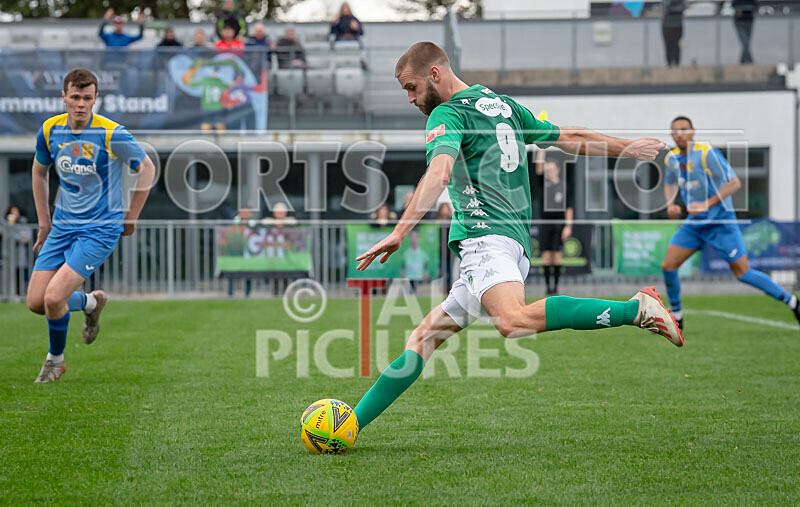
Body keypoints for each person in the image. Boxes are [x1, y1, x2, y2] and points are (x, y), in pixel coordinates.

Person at [351, 42, 682, 432]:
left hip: (485, 240)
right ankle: (350, 424)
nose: (409, 98)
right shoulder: (502, 106)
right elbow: (568, 135)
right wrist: (626, 147)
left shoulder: (447, 113)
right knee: (423, 338)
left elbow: (439, 174)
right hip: (510, 242)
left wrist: (398, 231)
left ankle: (635, 309)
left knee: (511, 321)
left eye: (411, 87)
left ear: (434, 75)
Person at [26, 68, 155, 383]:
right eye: (75, 97)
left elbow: (147, 168)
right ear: (64, 97)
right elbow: (39, 171)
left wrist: (131, 216)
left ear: (96, 99)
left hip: (100, 228)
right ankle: (90, 302)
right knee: (35, 302)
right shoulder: (49, 130)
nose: (80, 104)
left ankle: (55, 362)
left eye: (87, 98)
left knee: (55, 298)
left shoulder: (111, 134)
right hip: (62, 226)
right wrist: (44, 223)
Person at [661, 116, 798, 331]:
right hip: (694, 224)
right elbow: (669, 182)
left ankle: (792, 302)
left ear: (693, 132)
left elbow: (733, 183)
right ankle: (677, 317)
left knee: (743, 273)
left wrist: (707, 203)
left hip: (720, 224)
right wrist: (671, 204)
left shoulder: (706, 153)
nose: (679, 134)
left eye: (684, 129)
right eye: (675, 131)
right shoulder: (671, 158)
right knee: (668, 266)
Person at [534, 150, 573, 295]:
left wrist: (568, 226)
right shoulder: (544, 184)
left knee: (556, 255)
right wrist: (541, 148)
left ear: (557, 169)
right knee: (546, 255)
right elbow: (538, 168)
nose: (548, 171)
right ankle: (547, 287)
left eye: (551, 169)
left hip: (559, 224)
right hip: (545, 223)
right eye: (547, 169)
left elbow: (569, 207)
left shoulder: (564, 186)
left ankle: (555, 288)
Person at [3, 205, 31, 295]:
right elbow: (6, 235)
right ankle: (7, 293)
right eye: (13, 212)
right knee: (7, 274)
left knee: (21, 274)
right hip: (7, 254)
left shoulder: (23, 224)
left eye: (16, 212)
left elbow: (27, 238)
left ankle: (21, 293)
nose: (15, 214)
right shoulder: (4, 224)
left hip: (19, 255)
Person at [662, 0, 685, 67]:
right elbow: (665, 7)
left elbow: (684, 7)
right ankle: (670, 63)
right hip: (667, 24)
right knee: (668, 44)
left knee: (676, 44)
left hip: (677, 24)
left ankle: (676, 62)